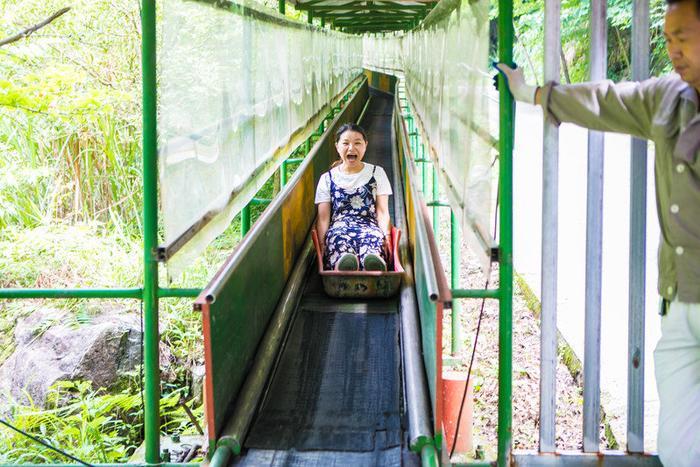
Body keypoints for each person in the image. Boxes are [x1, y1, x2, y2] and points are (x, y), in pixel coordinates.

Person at [497, 0, 700, 465]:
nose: (673, 50)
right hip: (680, 301)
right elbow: (604, 100)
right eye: (667, 38)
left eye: (682, 37)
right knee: (679, 447)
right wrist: (530, 93)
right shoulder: (669, 97)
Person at [315, 123, 393, 271]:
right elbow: (323, 218)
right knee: (337, 239)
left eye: (357, 143)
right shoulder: (327, 178)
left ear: (365, 145)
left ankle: (372, 262)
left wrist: (387, 236)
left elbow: (382, 212)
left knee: (374, 239)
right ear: (337, 146)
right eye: (345, 143)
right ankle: (345, 262)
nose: (351, 148)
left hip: (369, 226)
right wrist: (321, 244)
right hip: (338, 227)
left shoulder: (377, 173)